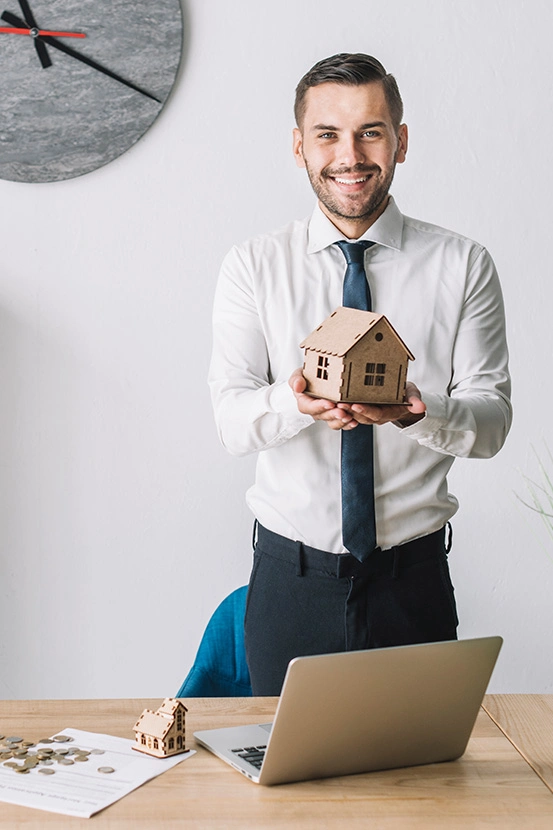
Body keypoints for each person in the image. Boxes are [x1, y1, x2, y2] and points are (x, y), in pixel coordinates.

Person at [209, 53, 512, 695]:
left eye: (371, 131)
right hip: (290, 584)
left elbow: (490, 424)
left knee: (424, 786)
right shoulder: (253, 267)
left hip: (414, 583)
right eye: (328, 135)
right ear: (299, 146)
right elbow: (233, 423)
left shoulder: (463, 265)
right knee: (287, 788)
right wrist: (298, 402)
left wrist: (416, 412)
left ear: (401, 139)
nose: (350, 155)